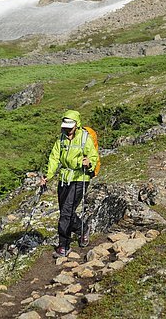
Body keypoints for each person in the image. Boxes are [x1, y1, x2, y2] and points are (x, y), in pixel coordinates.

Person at [40, 110, 99, 257]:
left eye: (70, 126)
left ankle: (63, 245)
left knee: (66, 213)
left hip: (80, 178)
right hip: (64, 179)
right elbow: (54, 158)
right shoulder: (61, 139)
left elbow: (93, 155)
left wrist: (89, 162)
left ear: (76, 124)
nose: (67, 129)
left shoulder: (85, 138)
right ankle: (82, 229)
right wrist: (47, 176)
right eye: (65, 126)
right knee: (66, 212)